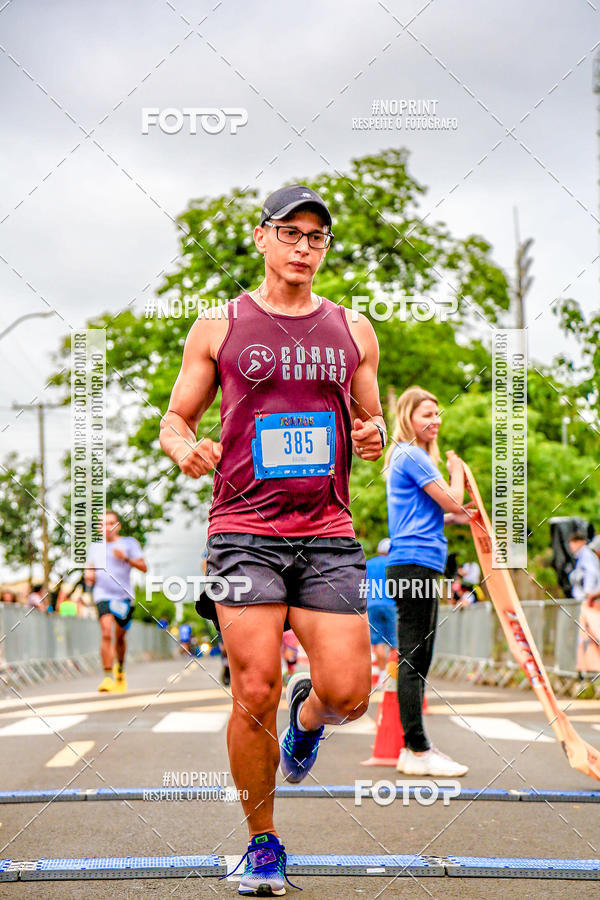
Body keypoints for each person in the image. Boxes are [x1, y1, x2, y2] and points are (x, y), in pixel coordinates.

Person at [159, 183, 385, 896]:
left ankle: (309, 717)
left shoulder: (354, 329)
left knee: (349, 692)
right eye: (290, 232)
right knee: (252, 687)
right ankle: (263, 844)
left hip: (326, 532)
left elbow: (369, 425)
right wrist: (184, 447)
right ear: (261, 238)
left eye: (316, 237)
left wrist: (374, 436)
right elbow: (175, 420)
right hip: (243, 531)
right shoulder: (219, 326)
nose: (303, 247)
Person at [385, 385, 473, 779]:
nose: (434, 421)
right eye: (425, 414)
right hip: (414, 565)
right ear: (408, 418)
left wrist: (460, 516)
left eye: (437, 414)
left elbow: (439, 511)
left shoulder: (408, 458)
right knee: (413, 659)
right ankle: (417, 748)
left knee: (417, 658)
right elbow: (451, 499)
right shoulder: (413, 454)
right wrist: (457, 473)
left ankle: (414, 748)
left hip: (419, 563)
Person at [84, 510, 147, 693]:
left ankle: (120, 668)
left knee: (120, 637)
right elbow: (89, 569)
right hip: (102, 594)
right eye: (103, 523)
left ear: (117, 525)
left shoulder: (129, 544)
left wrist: (126, 558)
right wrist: (89, 575)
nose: (107, 527)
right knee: (106, 632)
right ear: (98, 527)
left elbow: (144, 567)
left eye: (111, 523)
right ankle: (107, 676)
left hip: (124, 596)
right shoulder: (94, 547)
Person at [365, 537, 397, 688]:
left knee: (377, 642)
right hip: (391, 605)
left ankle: (382, 675)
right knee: (394, 642)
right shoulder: (395, 563)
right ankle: (394, 677)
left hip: (371, 605)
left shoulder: (368, 564)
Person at [568, 531, 600, 606]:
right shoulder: (581, 555)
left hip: (587, 600)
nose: (571, 546)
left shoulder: (586, 555)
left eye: (574, 542)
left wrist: (588, 593)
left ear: (581, 542)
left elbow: (591, 573)